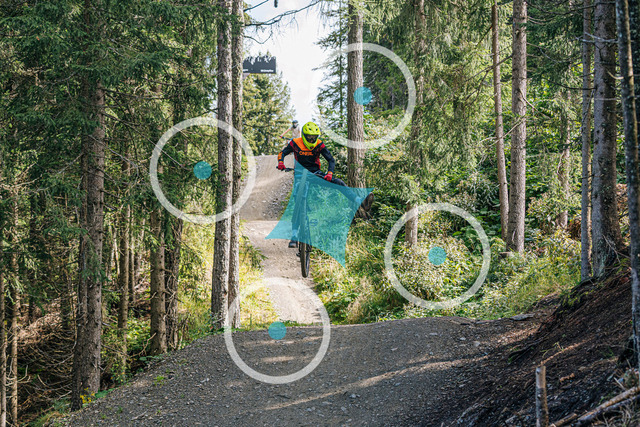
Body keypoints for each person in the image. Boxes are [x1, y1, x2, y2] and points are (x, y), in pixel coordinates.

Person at [277, 121, 360, 248]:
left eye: (314, 137)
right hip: (300, 175)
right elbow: (282, 153)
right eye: (309, 137)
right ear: (304, 135)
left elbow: (331, 159)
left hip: (316, 174)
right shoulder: (295, 143)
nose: (311, 140)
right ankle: (294, 236)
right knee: (298, 202)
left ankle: (359, 200)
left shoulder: (319, 144)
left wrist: (330, 173)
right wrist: (281, 162)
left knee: (338, 182)